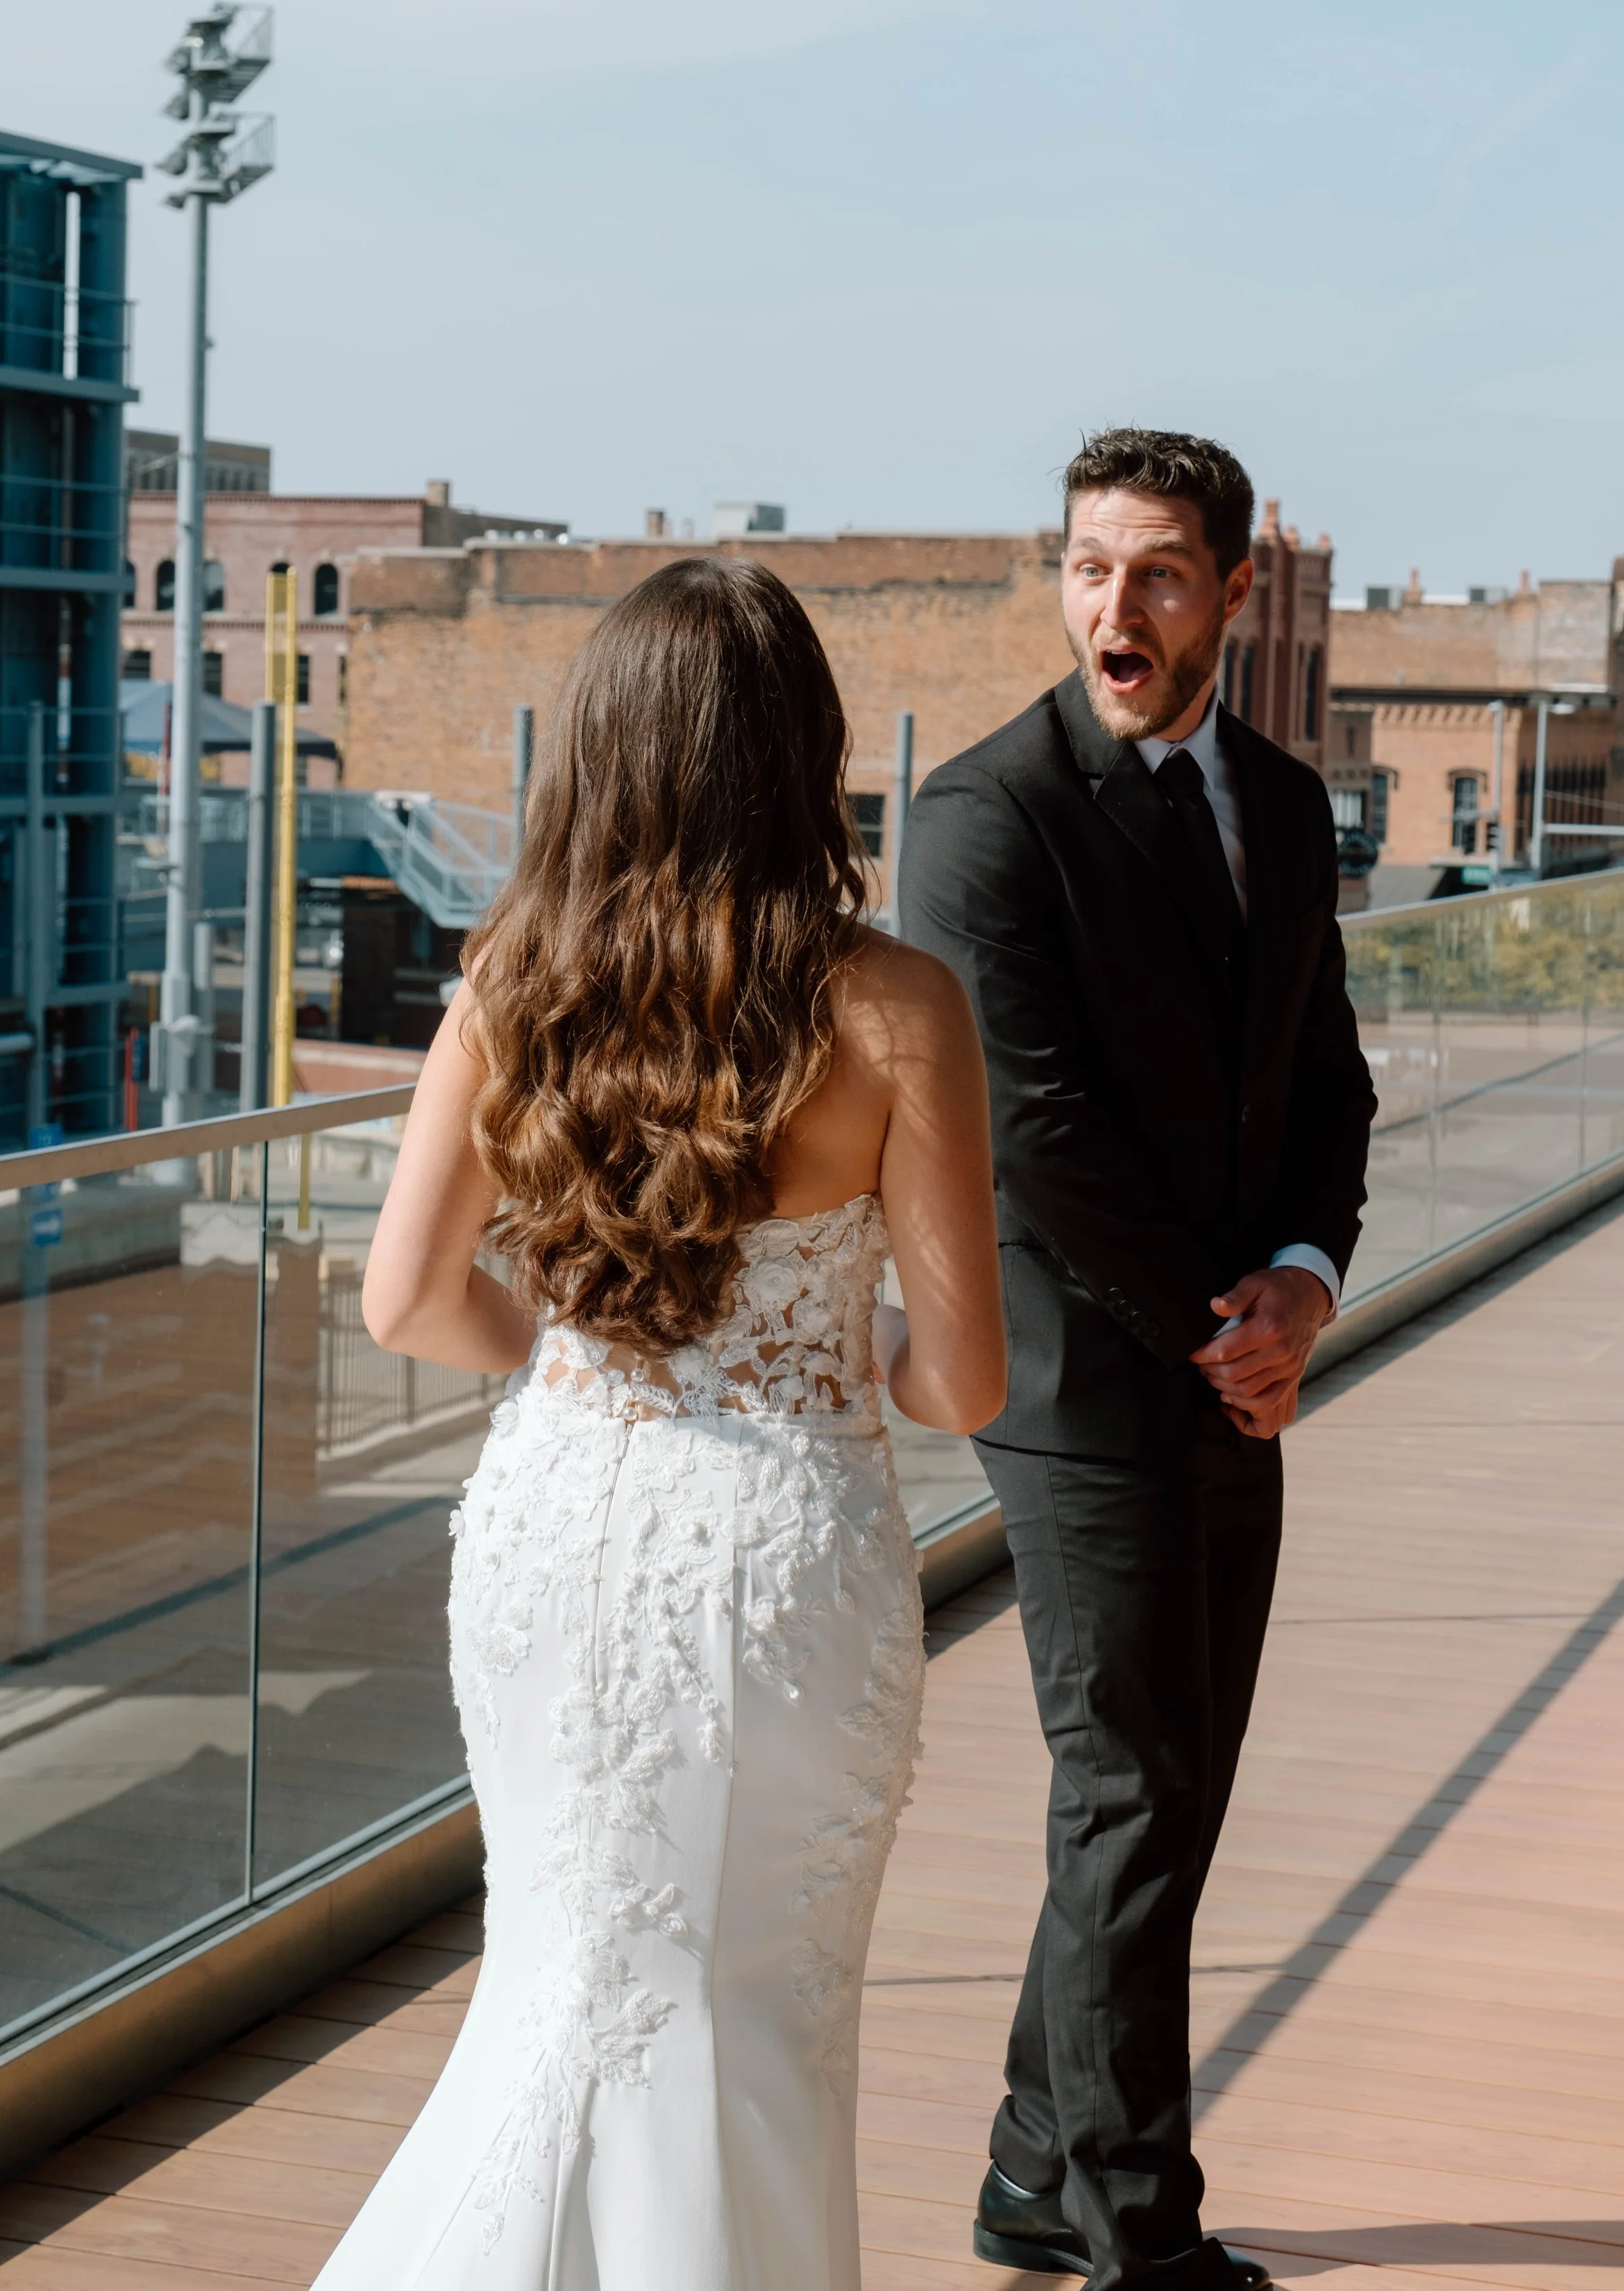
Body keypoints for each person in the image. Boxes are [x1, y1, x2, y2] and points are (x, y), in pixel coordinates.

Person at [312, 558, 1005, 2291]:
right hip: (773, 1565)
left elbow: (403, 1303)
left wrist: (588, 1345)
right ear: (802, 752)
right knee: (738, 2027)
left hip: (555, 1529)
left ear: (597, 758)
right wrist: (823, 1359)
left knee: (560, 1992)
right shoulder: (894, 1009)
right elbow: (964, 1380)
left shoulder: (503, 990)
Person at [899, 430, 1377, 2291]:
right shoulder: (979, 815)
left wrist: (1304, 1286)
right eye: (1091, 567)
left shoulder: (1279, 794)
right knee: (1126, 1780)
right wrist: (1219, 1330)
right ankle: (1133, 2230)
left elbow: (1319, 1072)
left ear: (1231, 592)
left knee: (1167, 1789)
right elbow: (1036, 1130)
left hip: (1234, 1360)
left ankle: (1036, 2163)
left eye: (1161, 572)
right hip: (1078, 1377)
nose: (1118, 606)